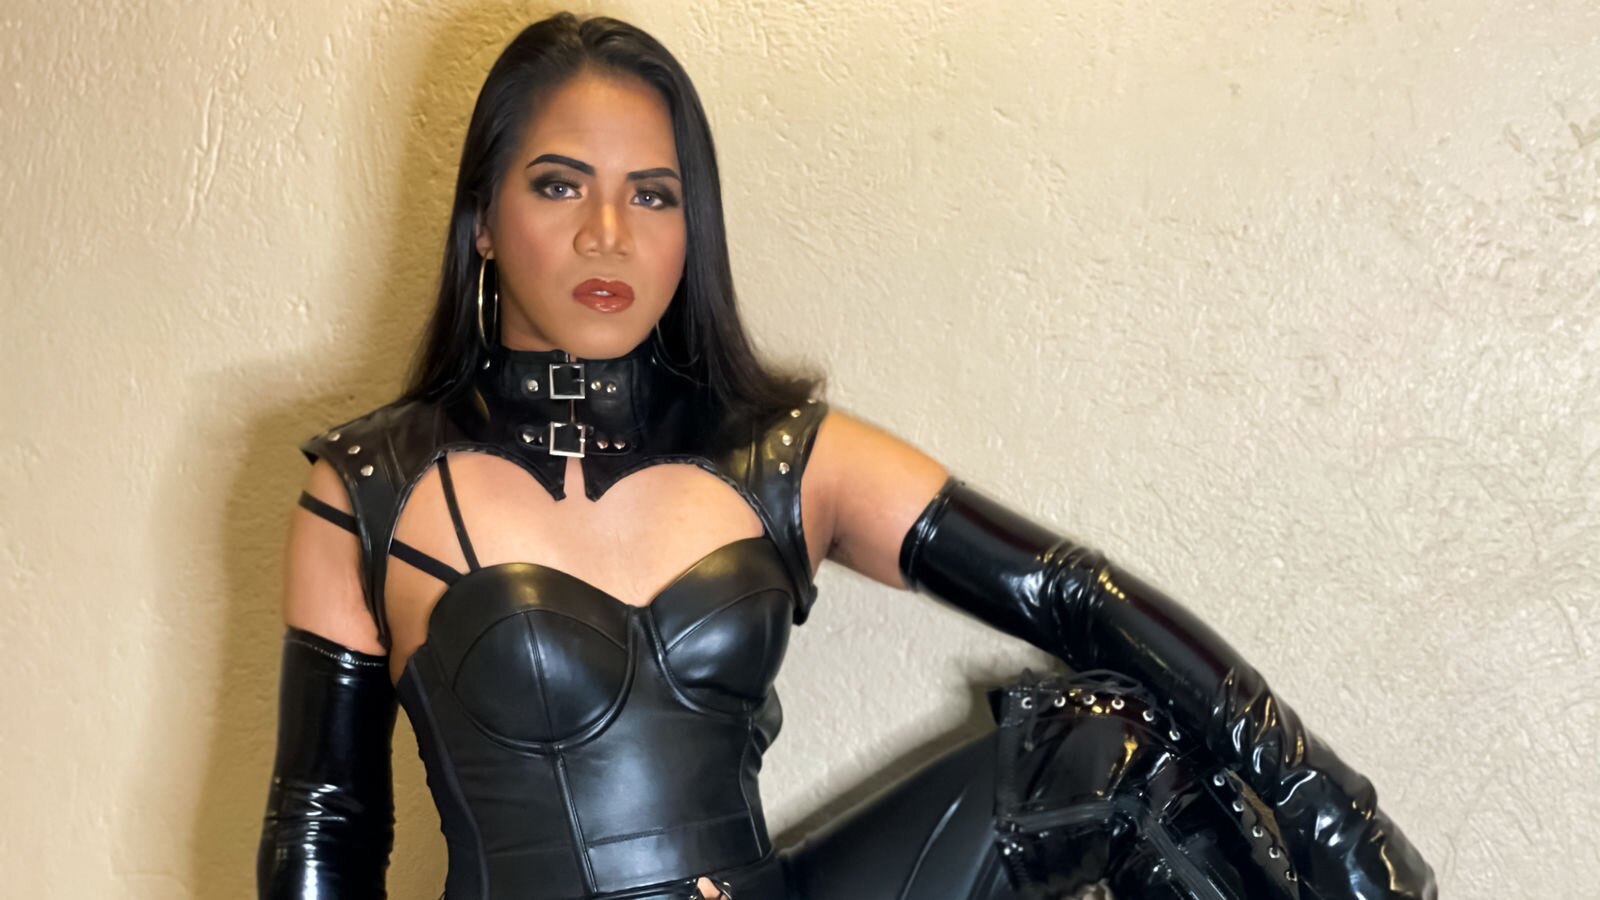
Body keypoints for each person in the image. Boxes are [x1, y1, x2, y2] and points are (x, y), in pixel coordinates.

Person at [257, 12, 1436, 900]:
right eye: (560, 184)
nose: (607, 233)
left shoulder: (781, 456)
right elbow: (325, 824)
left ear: (692, 228)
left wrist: (1331, 810)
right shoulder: (371, 488)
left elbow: (1071, 595)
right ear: (482, 220)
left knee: (1105, 746)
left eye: (653, 196)